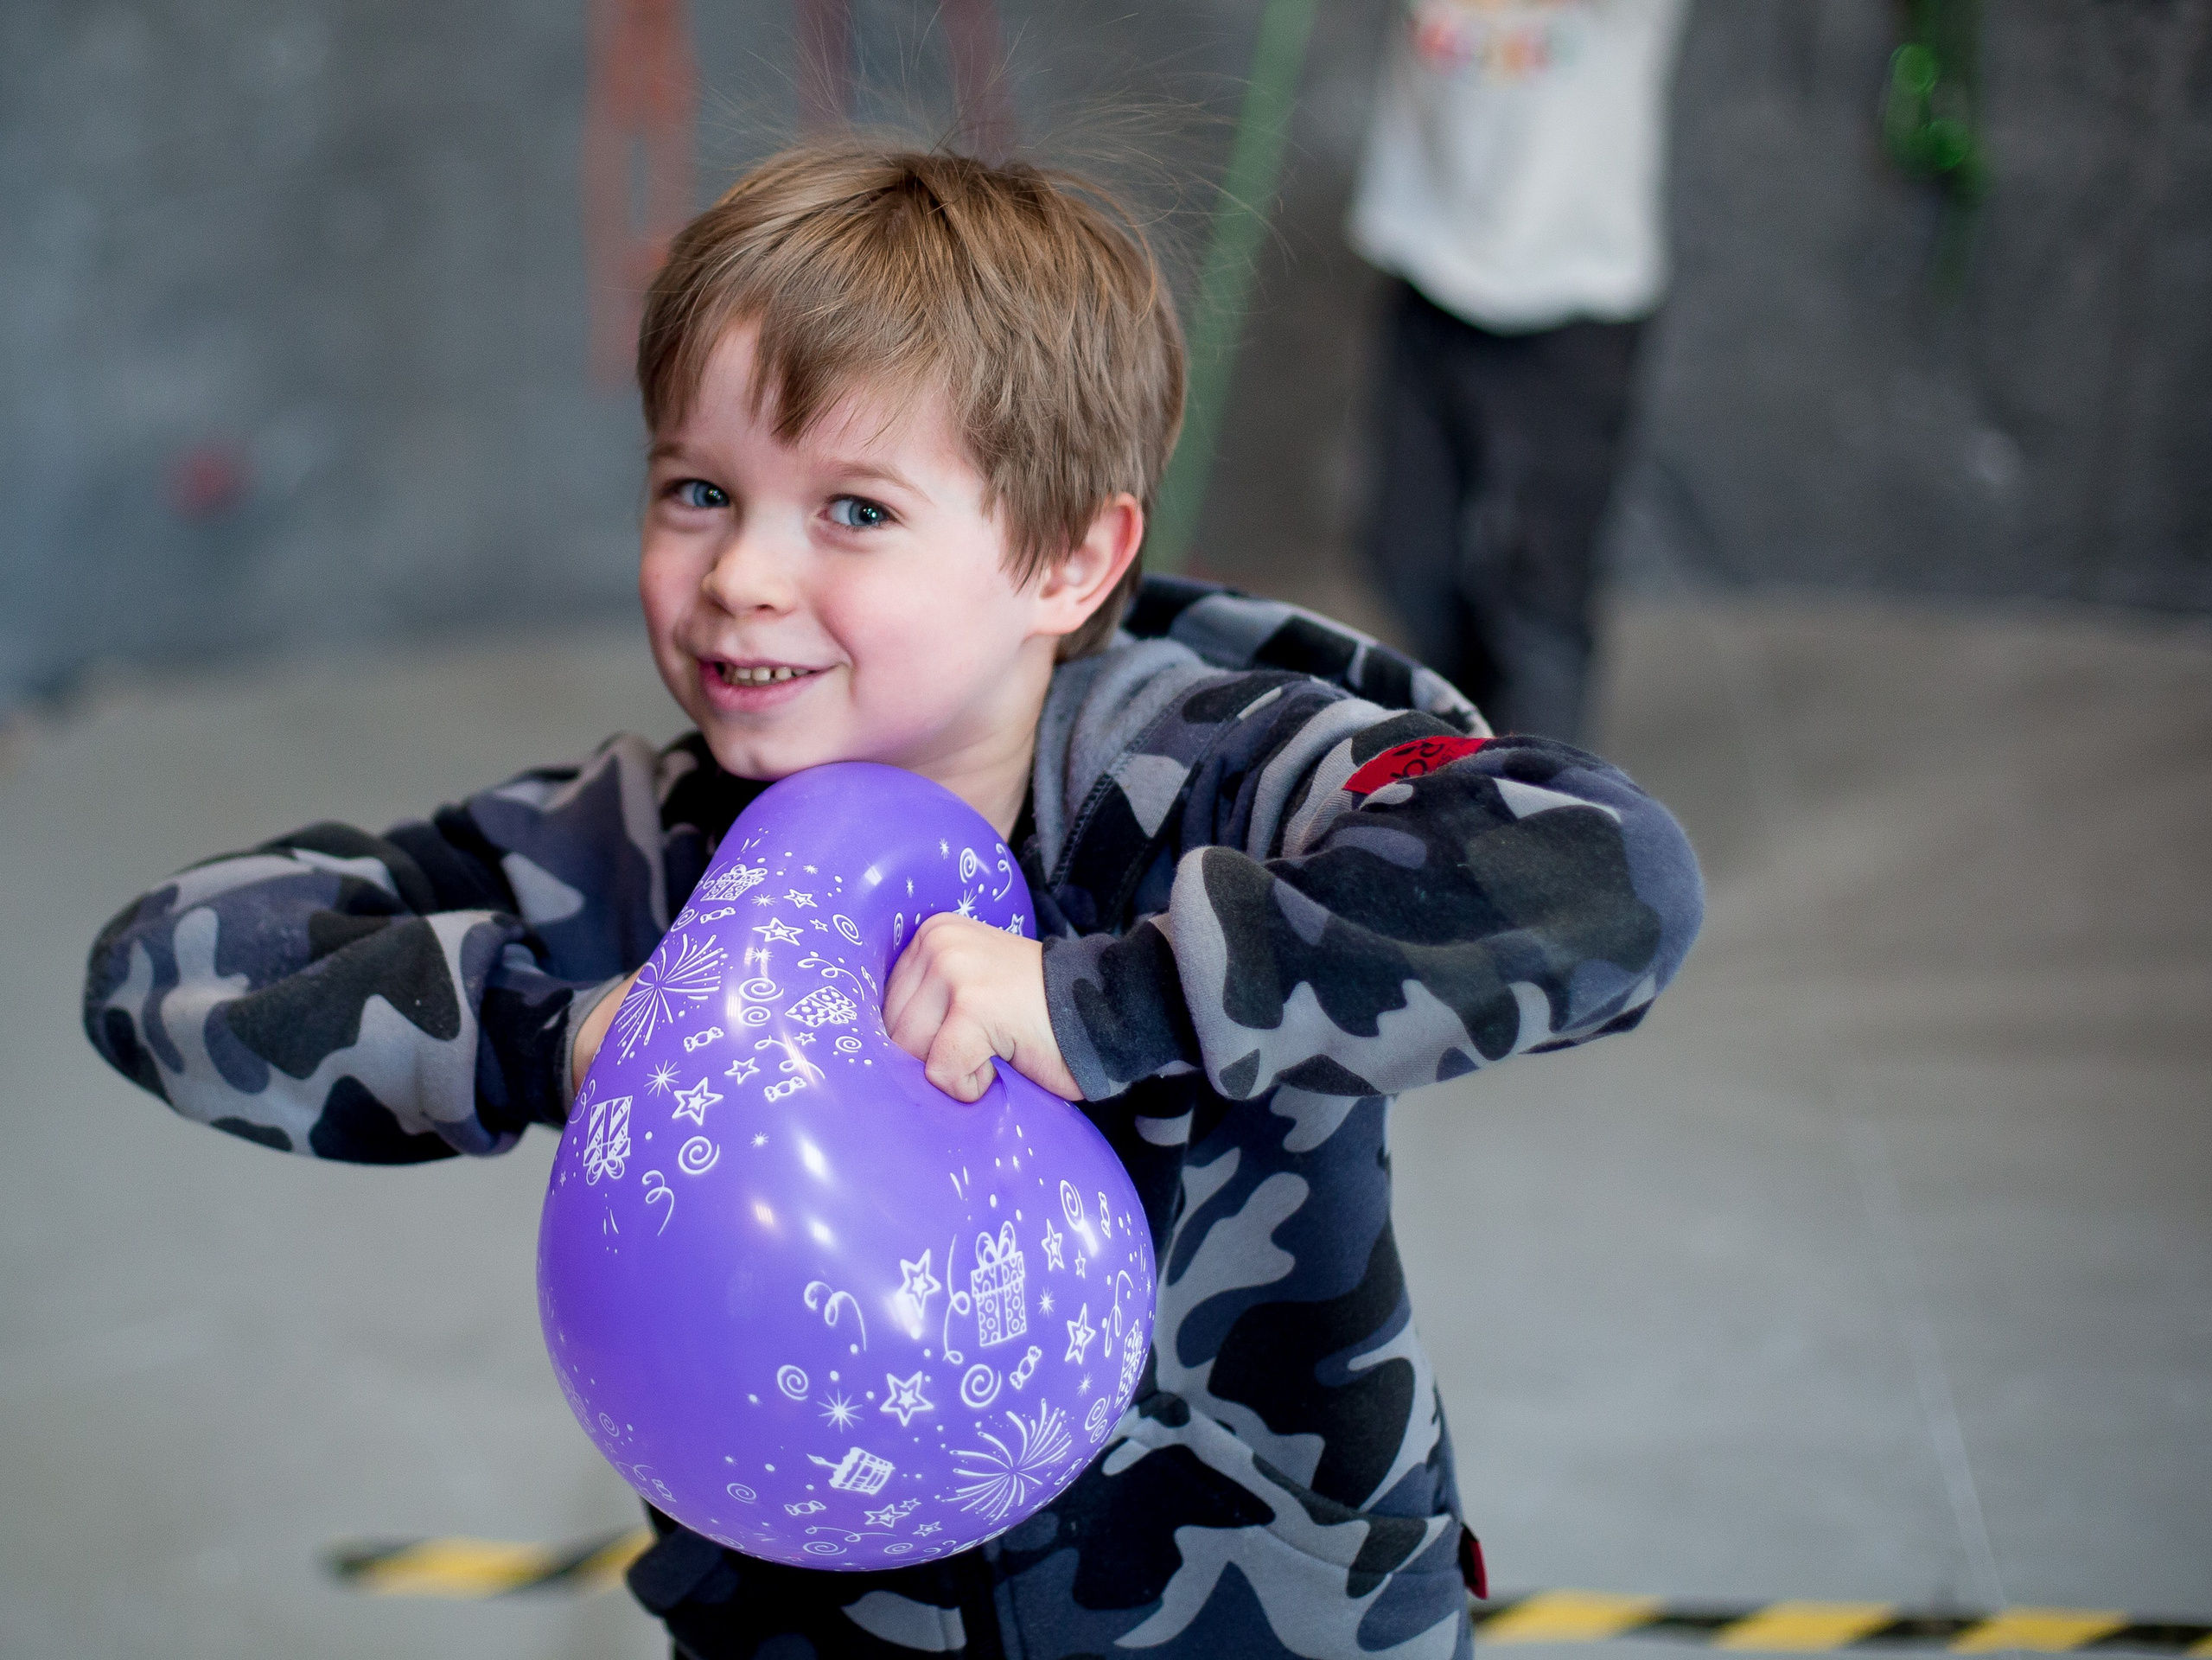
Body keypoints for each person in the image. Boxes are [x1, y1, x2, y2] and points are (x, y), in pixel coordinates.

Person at [82, 144, 1703, 1658]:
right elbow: (167, 967)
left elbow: (1603, 874)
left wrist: (1105, 1000)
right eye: (696, 490)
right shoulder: (647, 839)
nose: (741, 576)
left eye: (853, 510)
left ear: (1071, 557)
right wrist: (553, 1039)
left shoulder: (1221, 773)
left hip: (1264, 1620)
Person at [1349, 0, 1695, 743]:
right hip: (1431, 266)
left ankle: (1541, 822)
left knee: (1541, 605)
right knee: (1406, 560)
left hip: (1573, 296)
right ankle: (1466, 757)